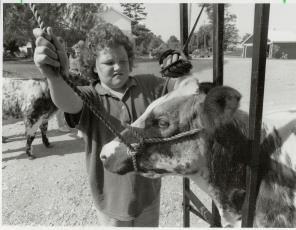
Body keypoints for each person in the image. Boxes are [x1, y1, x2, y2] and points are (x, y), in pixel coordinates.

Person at [33, 23, 191, 227]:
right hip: (111, 204)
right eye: (109, 62)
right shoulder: (89, 96)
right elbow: (67, 101)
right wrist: (54, 77)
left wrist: (182, 70)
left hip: (148, 197)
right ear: (93, 67)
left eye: (123, 61)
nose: (118, 67)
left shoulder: (150, 85)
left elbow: (184, 90)